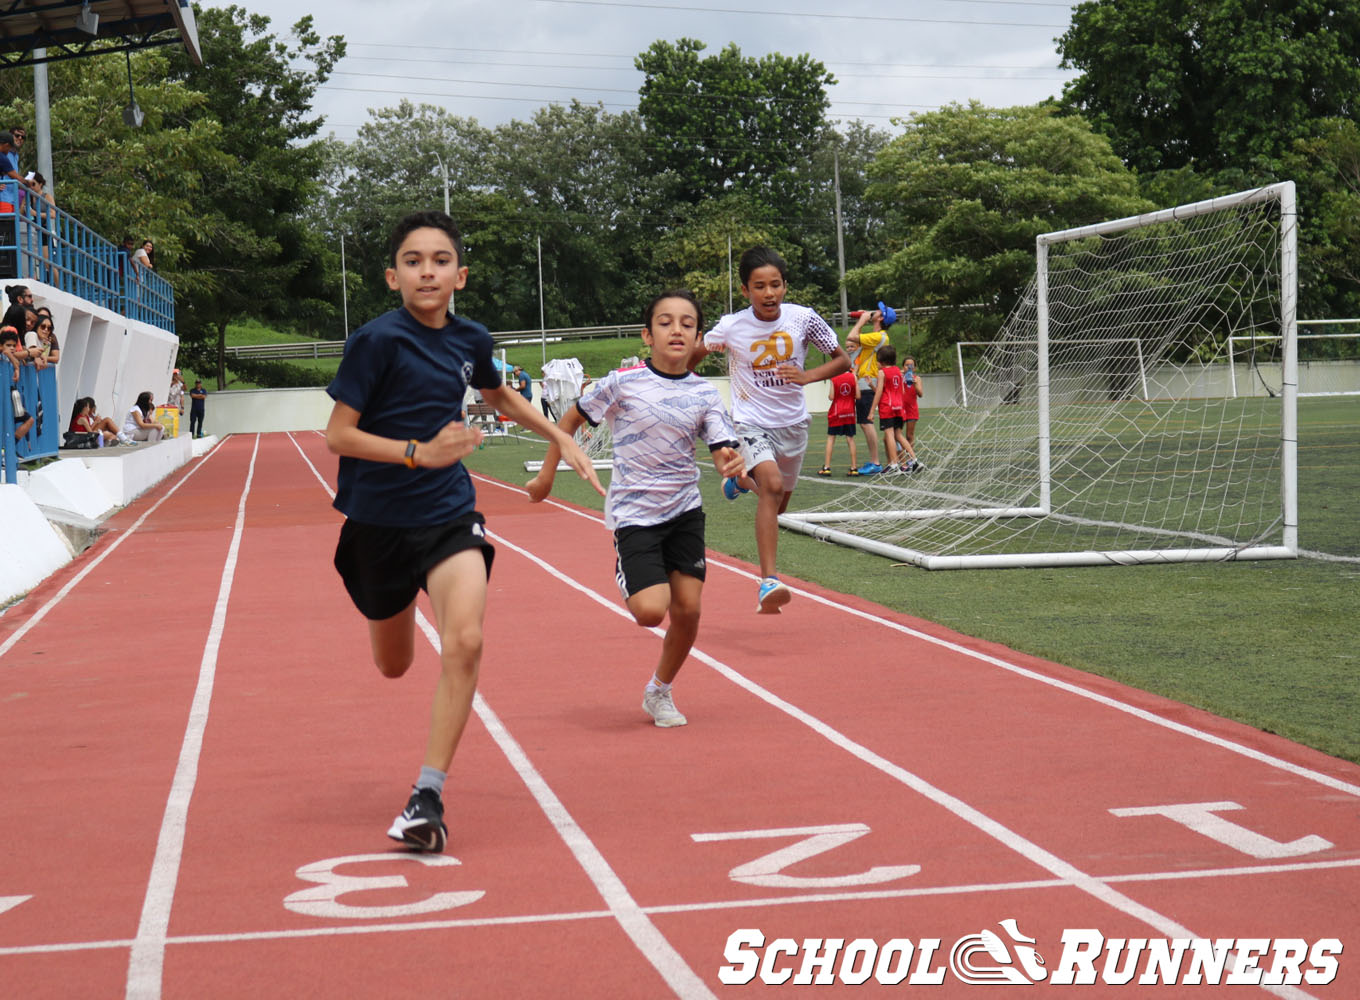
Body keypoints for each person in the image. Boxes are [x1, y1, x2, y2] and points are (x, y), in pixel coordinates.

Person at [324, 209, 601, 853]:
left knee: (467, 640)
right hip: (376, 522)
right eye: (414, 261)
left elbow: (497, 396)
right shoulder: (376, 342)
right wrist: (418, 451)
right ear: (392, 276)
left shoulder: (472, 338)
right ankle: (387, 611)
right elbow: (338, 434)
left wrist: (560, 433)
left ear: (461, 275)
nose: (428, 271)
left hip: (448, 511)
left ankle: (426, 796)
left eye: (440, 260)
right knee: (394, 665)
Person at [527, 289, 743, 727]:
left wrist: (731, 464)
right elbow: (568, 422)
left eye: (687, 323)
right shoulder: (621, 383)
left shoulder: (705, 393)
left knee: (689, 611)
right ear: (647, 335)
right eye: (665, 322)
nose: (676, 329)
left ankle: (659, 692)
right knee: (650, 612)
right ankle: (628, 565)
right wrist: (547, 475)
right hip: (635, 513)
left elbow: (722, 448)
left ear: (699, 337)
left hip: (685, 510)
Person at [690, 246, 851, 613]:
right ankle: (768, 582)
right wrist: (677, 375)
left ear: (785, 286)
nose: (769, 293)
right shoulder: (732, 325)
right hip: (750, 421)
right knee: (772, 487)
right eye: (759, 286)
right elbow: (699, 351)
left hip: (793, 425)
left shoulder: (803, 318)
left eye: (775, 285)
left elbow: (843, 360)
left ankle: (738, 482)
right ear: (746, 290)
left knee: (777, 505)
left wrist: (808, 375)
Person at [844, 306, 895, 474]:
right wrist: (864, 320)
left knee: (866, 423)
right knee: (865, 423)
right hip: (866, 381)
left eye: (878, 311)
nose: (875, 311)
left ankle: (875, 461)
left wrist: (862, 320)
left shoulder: (878, 336)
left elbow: (851, 337)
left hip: (867, 382)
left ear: (881, 318)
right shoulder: (877, 337)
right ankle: (877, 461)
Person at [871, 343, 915, 471]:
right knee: (898, 435)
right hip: (899, 407)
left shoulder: (882, 372)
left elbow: (879, 392)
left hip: (888, 407)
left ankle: (894, 464)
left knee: (889, 434)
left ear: (882, 361)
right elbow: (901, 390)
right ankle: (913, 459)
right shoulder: (898, 371)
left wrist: (872, 410)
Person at [817, 368, 860, 476]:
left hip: (837, 412)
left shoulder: (834, 377)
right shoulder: (853, 377)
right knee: (850, 438)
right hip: (849, 412)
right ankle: (854, 468)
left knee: (831, 438)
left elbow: (831, 397)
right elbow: (858, 396)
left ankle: (827, 467)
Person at [2, 326, 33, 440]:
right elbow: (5, 352)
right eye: (8, 345)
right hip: (4, 397)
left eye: (14, 346)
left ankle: (10, 445)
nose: (12, 348)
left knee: (29, 420)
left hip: (11, 397)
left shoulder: (10, 360)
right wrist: (15, 362)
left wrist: (16, 365)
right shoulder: (3, 358)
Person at [900, 354, 925, 470]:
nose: (908, 368)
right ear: (903, 366)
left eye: (911, 366)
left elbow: (920, 394)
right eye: (906, 365)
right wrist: (900, 376)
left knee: (909, 435)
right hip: (900, 409)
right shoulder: (900, 377)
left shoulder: (917, 378)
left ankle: (911, 459)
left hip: (911, 410)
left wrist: (914, 383)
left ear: (914, 368)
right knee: (898, 436)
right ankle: (902, 462)